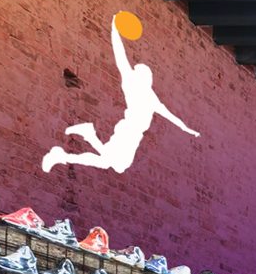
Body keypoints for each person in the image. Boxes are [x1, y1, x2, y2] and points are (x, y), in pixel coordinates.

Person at [43, 14, 199, 174]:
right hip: (128, 130)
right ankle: (83, 138)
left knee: (110, 163)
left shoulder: (149, 96)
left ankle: (82, 139)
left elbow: (169, 115)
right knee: (115, 165)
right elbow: (120, 57)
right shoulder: (134, 85)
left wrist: (187, 129)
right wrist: (114, 31)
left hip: (133, 133)